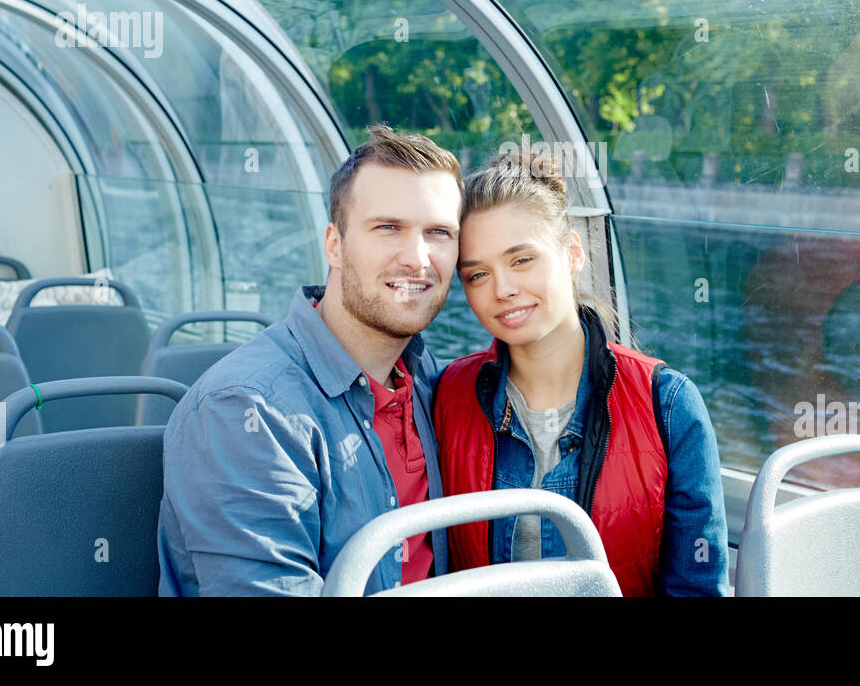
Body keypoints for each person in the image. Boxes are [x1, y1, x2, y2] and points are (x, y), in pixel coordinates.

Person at [157, 125, 462, 595]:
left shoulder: (430, 383)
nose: (418, 258)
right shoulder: (246, 411)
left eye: (438, 232)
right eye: (388, 227)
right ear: (334, 245)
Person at [433, 148, 729, 595]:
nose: (503, 290)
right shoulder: (448, 396)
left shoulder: (666, 406)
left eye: (521, 260)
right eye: (477, 275)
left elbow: (697, 586)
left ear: (572, 253)